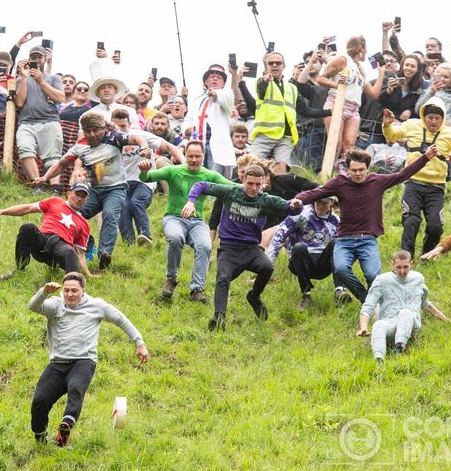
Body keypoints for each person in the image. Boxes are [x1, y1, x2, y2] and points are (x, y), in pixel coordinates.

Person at [296, 146, 438, 303]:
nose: (357, 174)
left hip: (367, 240)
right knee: (341, 269)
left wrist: (426, 157)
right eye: (354, 170)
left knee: (372, 275)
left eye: (361, 170)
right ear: (348, 169)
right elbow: (316, 193)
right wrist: (297, 200)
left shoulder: (377, 181)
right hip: (344, 240)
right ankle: (366, 300)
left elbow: (402, 175)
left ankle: (380, 302)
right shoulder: (339, 182)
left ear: (368, 168)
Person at [28, 272, 149, 446]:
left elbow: (121, 319)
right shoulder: (55, 305)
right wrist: (44, 291)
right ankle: (40, 437)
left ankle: (66, 426)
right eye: (66, 290)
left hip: (83, 361)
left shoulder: (96, 305)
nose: (70, 294)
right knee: (39, 400)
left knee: (76, 389)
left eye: (74, 291)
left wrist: (139, 342)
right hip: (57, 364)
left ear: (83, 291)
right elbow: (33, 306)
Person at [184, 165, 302, 329]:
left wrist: (296, 206)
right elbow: (201, 185)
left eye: (257, 184)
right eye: (250, 183)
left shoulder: (265, 200)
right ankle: (219, 318)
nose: (253, 188)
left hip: (251, 249)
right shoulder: (231, 192)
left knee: (267, 267)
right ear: (243, 180)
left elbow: (289, 208)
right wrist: (191, 202)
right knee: (222, 279)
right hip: (229, 249)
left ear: (263, 184)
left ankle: (254, 297)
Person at [37, 112, 149, 270]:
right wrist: (45, 177)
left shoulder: (114, 138)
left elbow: (137, 138)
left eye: (96, 130)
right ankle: (76, 248)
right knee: (73, 216)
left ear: (103, 128)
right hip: (93, 191)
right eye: (88, 131)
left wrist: (144, 148)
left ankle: (104, 254)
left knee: (109, 215)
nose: (92, 134)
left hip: (116, 188)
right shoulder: (80, 146)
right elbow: (61, 164)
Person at [138, 140, 235, 301]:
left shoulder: (209, 175)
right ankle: (171, 279)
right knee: (176, 238)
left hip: (197, 222)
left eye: (197, 156)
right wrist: (144, 171)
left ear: (203, 156)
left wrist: (254, 188)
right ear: (185, 156)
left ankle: (197, 289)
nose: (194, 160)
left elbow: (232, 187)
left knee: (205, 245)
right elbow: (147, 177)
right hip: (174, 218)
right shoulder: (173, 171)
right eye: (190, 156)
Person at [382, 99, 451, 259]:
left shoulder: (450, 134)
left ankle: (427, 255)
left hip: (436, 187)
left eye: (437, 118)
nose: (434, 122)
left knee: (435, 226)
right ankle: (406, 258)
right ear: (424, 116)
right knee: (411, 221)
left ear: (443, 119)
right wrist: (387, 125)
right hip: (413, 183)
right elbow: (392, 136)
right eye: (430, 118)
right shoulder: (411, 125)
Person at [357, 250, 451, 362]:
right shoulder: (382, 280)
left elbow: (425, 303)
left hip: (411, 322)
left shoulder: (418, 279)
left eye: (406, 267)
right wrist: (363, 327)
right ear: (392, 264)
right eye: (399, 267)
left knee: (405, 313)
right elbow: (368, 305)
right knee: (378, 325)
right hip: (389, 322)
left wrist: (446, 320)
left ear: (411, 264)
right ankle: (379, 360)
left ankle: (399, 349)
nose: (402, 271)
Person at [0, 183, 94, 279]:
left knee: (70, 251)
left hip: (61, 248)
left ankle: (73, 283)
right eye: (77, 194)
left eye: (83, 196)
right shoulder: (55, 201)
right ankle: (21, 270)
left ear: (87, 200)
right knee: (28, 227)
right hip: (43, 241)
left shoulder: (84, 224)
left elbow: (80, 254)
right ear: (69, 193)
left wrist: (88, 274)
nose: (79, 198)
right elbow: (27, 208)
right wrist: (2, 211)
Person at [111, 109, 184, 246]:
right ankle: (129, 245)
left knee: (136, 202)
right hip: (123, 182)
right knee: (123, 208)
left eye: (123, 127)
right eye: (117, 127)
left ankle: (145, 235)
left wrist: (184, 163)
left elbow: (169, 147)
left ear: (129, 124)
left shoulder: (142, 135)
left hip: (144, 180)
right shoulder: (110, 140)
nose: (120, 130)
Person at [267, 196, 344, 310]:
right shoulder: (301, 214)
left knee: (337, 243)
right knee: (299, 247)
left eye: (324, 203)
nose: (320, 206)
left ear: (331, 202)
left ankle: (339, 290)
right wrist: (267, 264)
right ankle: (306, 296)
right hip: (300, 259)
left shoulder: (336, 221)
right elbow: (279, 236)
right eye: (318, 202)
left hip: (323, 263)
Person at [316, 36, 385, 156]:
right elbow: (320, 79)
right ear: (361, 48)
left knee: (349, 144)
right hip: (337, 103)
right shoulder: (343, 60)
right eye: (366, 48)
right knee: (335, 143)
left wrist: (381, 73)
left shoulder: (360, 71)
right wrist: (336, 84)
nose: (367, 52)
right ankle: (329, 172)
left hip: (354, 110)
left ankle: (345, 172)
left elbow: (374, 94)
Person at [14, 46, 65, 183]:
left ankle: (54, 187)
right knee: (25, 149)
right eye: (33, 57)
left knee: (53, 156)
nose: (36, 60)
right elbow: (19, 103)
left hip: (50, 120)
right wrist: (24, 77)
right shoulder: (20, 79)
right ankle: (37, 184)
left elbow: (60, 98)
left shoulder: (54, 78)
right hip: (27, 122)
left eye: (39, 57)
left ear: (44, 59)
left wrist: (41, 81)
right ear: (29, 60)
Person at [182, 64, 236, 177]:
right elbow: (188, 119)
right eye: (212, 76)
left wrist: (214, 93)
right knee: (198, 178)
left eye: (219, 77)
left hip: (216, 146)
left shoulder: (227, 96)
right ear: (206, 82)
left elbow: (221, 96)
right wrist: (187, 129)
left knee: (214, 181)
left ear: (224, 83)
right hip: (198, 145)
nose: (215, 78)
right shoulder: (196, 101)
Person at [250, 52, 299, 174]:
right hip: (265, 134)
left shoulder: (292, 88)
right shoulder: (262, 82)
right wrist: (265, 80)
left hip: (286, 135)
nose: (275, 65)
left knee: (282, 168)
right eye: (271, 63)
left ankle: (279, 193)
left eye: (278, 63)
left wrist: (328, 111)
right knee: (253, 167)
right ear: (267, 66)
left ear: (284, 66)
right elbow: (261, 87)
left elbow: (302, 109)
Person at [415, 63, 451, 130]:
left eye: (446, 77)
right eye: (440, 76)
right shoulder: (427, 91)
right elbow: (418, 110)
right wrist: (431, 92)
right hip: (426, 127)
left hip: (446, 128)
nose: (442, 79)